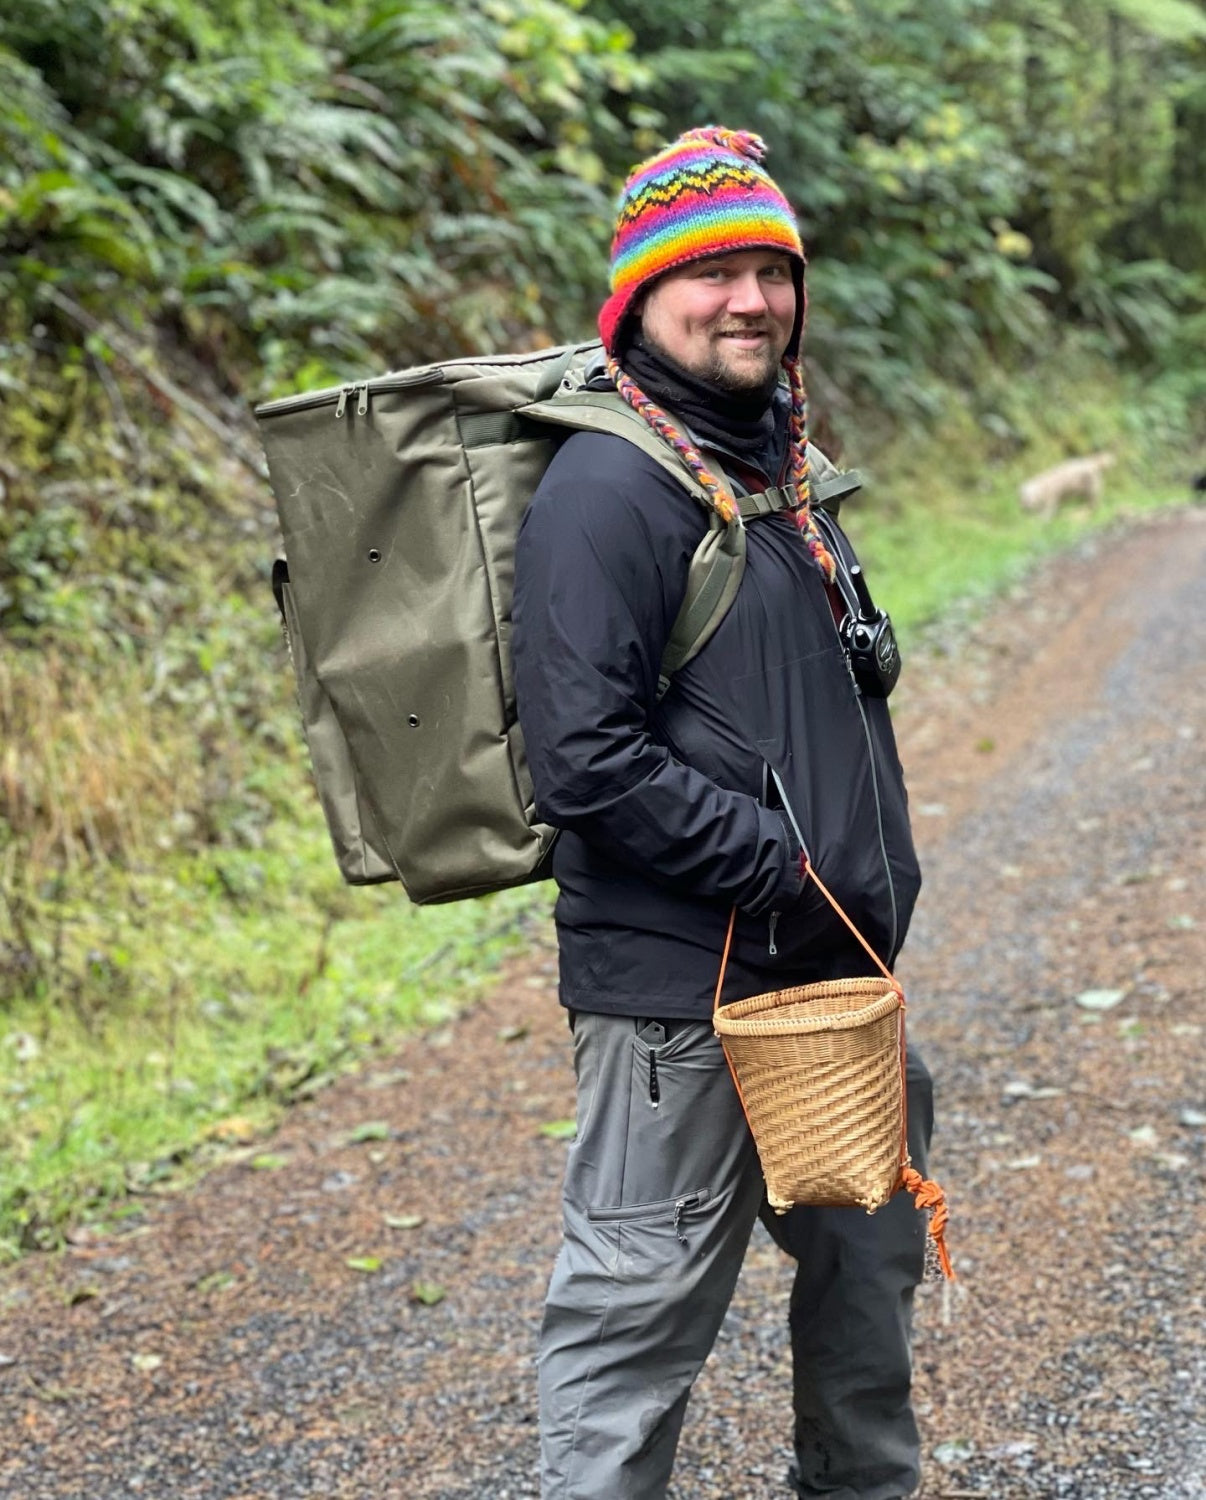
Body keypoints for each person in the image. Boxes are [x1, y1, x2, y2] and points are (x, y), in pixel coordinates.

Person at [512, 125, 934, 1500]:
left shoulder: (773, 473)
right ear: (637, 298)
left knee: (865, 1293)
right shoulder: (604, 487)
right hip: (679, 1010)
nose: (749, 298)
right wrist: (775, 865)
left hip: (827, 988)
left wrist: (831, 900)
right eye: (711, 274)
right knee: (629, 1331)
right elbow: (581, 759)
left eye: (770, 269)